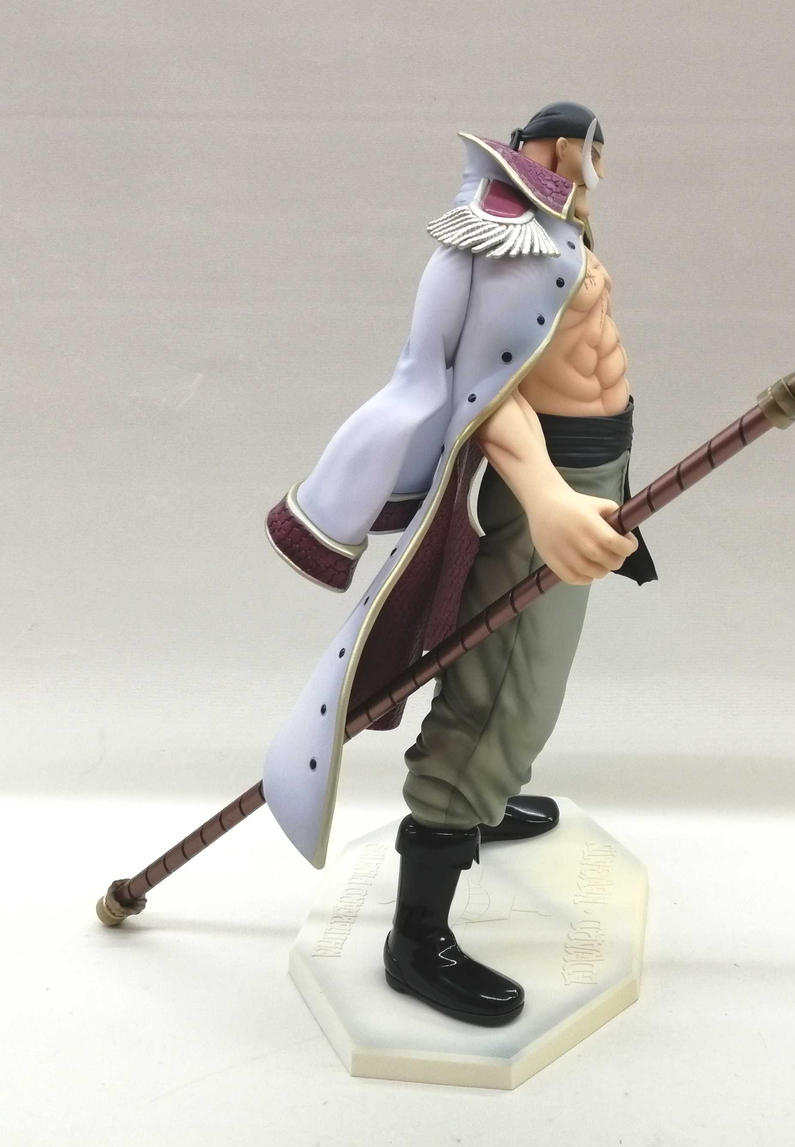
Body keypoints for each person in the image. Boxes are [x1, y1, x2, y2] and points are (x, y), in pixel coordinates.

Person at [263, 102, 654, 1025]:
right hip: (543, 483)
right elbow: (488, 387)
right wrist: (547, 496)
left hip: (591, 469)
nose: (599, 164)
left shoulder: (559, 220)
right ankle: (419, 932)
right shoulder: (503, 229)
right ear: (559, 147)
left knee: (537, 667)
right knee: (506, 681)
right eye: (591, 149)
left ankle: (487, 793)